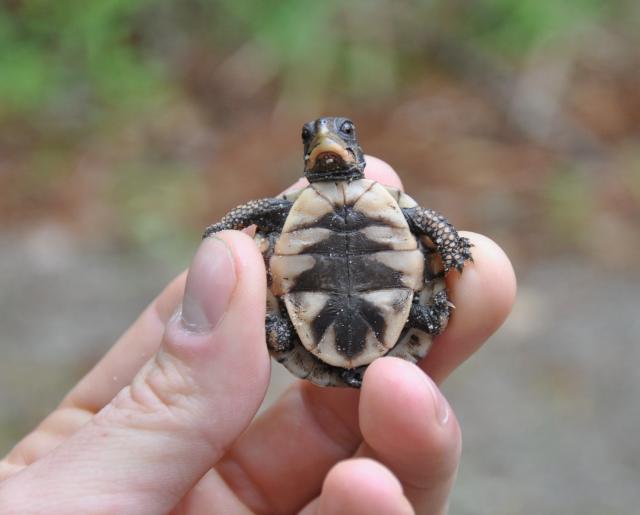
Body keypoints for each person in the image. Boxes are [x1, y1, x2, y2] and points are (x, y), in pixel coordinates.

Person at [0, 157, 516, 514]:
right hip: (386, 325)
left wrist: (224, 231)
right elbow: (423, 227)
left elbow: (424, 224)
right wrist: (447, 251)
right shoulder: (380, 210)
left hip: (332, 323)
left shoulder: (302, 214)